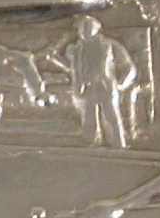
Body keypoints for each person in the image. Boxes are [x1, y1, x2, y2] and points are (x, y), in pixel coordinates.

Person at [54, 15, 137, 147]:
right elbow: (73, 69)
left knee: (110, 116)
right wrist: (57, 60)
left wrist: (121, 83)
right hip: (85, 86)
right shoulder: (76, 49)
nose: (84, 30)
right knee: (89, 118)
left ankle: (118, 143)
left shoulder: (109, 45)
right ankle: (91, 144)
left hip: (105, 85)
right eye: (81, 28)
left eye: (87, 27)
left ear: (97, 28)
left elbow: (127, 66)